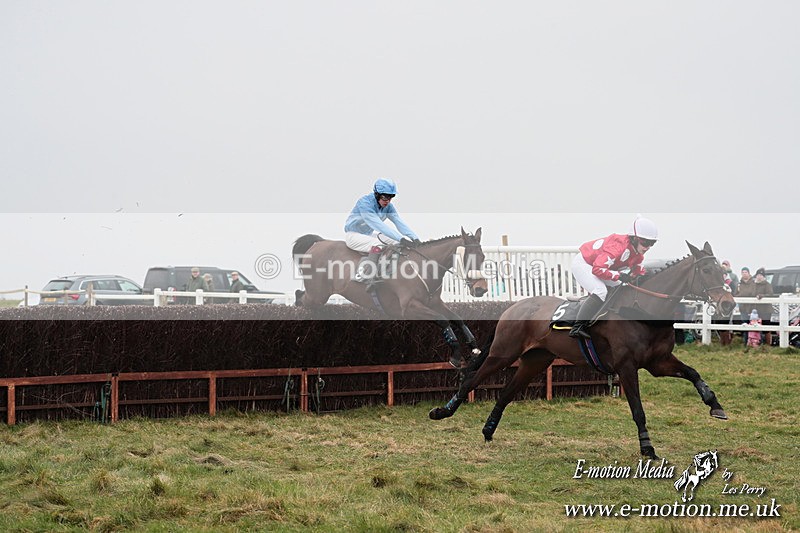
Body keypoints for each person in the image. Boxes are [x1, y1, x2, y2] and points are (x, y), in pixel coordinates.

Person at [569, 215, 658, 339]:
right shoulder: (618, 247)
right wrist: (619, 275)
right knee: (600, 291)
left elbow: (638, 271)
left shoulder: (637, 254)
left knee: (621, 289)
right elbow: (597, 269)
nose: (647, 247)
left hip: (600, 267)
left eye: (652, 243)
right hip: (584, 264)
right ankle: (577, 327)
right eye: (645, 242)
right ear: (634, 238)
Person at [344, 178, 421, 289]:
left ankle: (390, 273)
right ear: (376, 194)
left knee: (396, 243)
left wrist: (415, 238)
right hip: (353, 235)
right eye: (385, 197)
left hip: (368, 235)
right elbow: (380, 226)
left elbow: (399, 222)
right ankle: (368, 277)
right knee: (379, 244)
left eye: (391, 197)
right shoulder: (364, 203)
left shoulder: (389, 207)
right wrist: (401, 238)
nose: (388, 201)